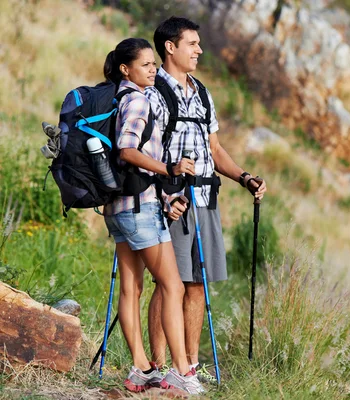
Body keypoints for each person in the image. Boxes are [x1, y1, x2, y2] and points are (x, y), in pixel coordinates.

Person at [146, 17, 267, 379]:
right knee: (168, 284)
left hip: (205, 199)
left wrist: (244, 177)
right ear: (170, 47)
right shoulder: (153, 93)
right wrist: (164, 194)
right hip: (171, 200)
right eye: (192, 43)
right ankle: (157, 366)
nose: (199, 50)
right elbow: (143, 151)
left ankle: (189, 369)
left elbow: (214, 148)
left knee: (197, 284)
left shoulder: (201, 92)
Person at [102, 37, 206, 394]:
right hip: (139, 207)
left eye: (153, 64)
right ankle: (180, 371)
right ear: (126, 69)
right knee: (173, 286)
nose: (153, 69)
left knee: (131, 289)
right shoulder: (137, 101)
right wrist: (168, 169)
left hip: (117, 207)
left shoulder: (117, 98)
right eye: (146, 65)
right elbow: (127, 150)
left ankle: (141, 369)